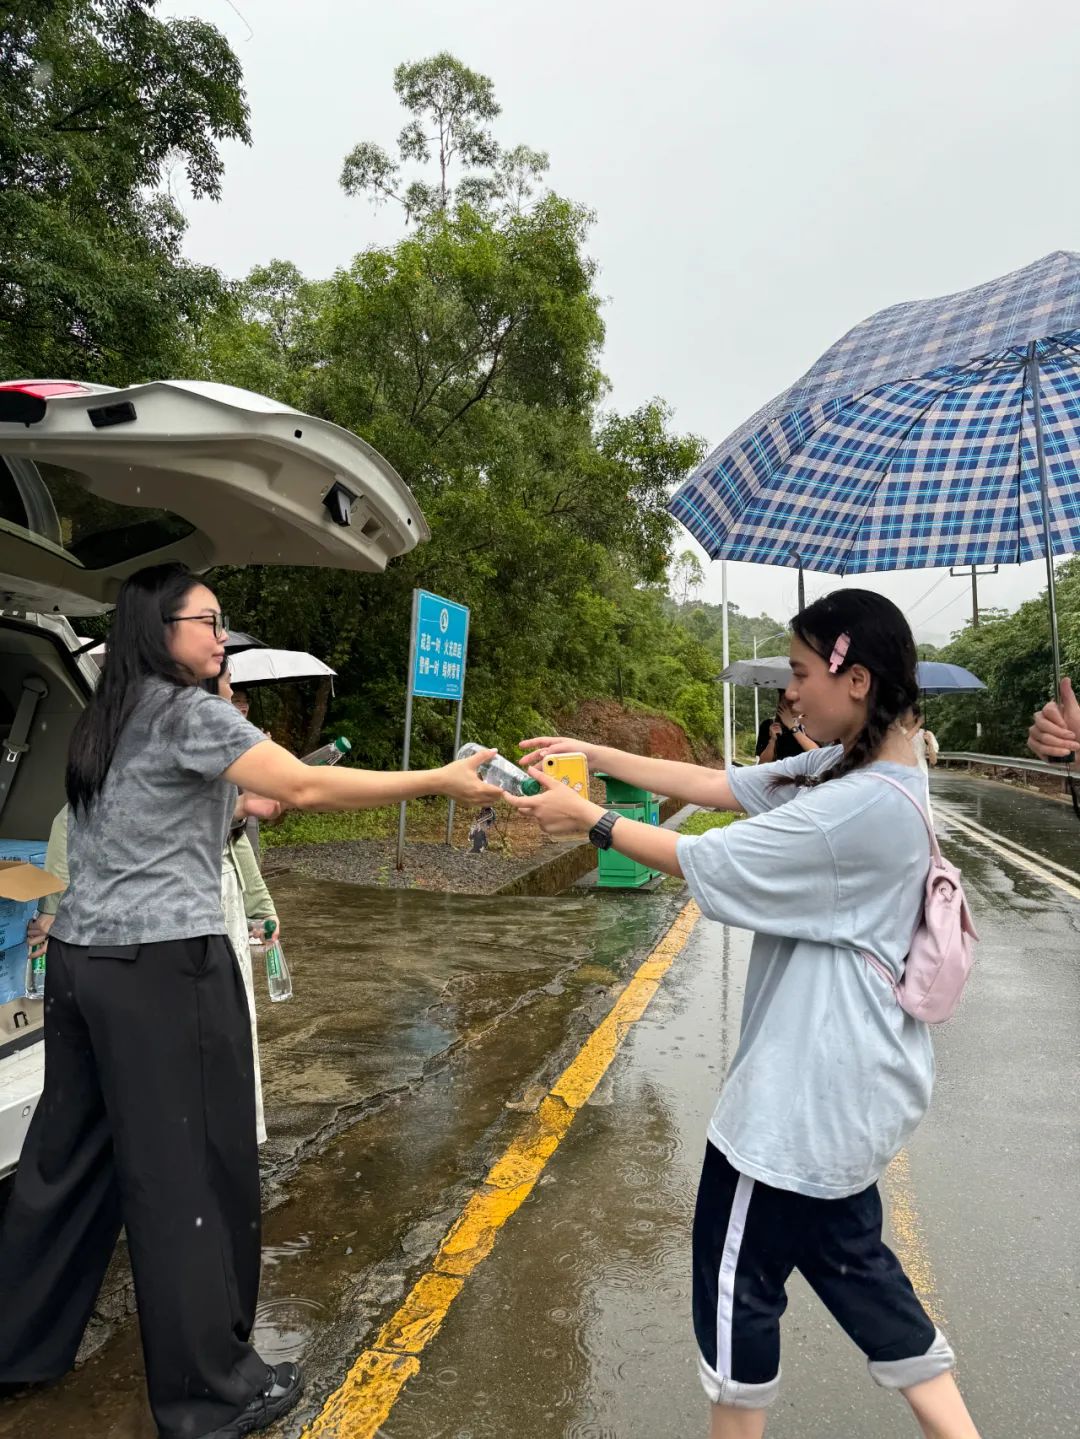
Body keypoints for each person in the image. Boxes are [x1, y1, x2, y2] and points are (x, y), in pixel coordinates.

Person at [0, 562, 501, 1439]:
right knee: (186, 1173)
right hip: (163, 968)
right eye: (210, 621)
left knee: (66, 1162)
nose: (222, 636)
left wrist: (238, 803)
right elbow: (306, 788)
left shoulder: (107, 717)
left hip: (85, 962)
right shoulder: (189, 711)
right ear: (161, 630)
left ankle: (16, 1345)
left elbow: (164, 818)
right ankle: (210, 1392)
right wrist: (440, 782)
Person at [507, 590, 981, 1439]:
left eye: (802, 674)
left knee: (735, 1298)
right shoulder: (858, 772)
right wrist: (591, 751)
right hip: (843, 1100)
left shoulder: (859, 807)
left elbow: (700, 856)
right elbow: (712, 783)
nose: (792, 694)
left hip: (789, 1110)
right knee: (860, 1274)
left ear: (858, 679)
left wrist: (590, 819)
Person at [754, 690, 820, 763]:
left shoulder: (809, 723)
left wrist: (791, 725)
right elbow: (763, 763)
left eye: (795, 700)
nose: (791, 704)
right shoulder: (769, 724)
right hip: (776, 772)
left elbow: (818, 754)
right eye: (787, 700)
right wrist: (772, 740)